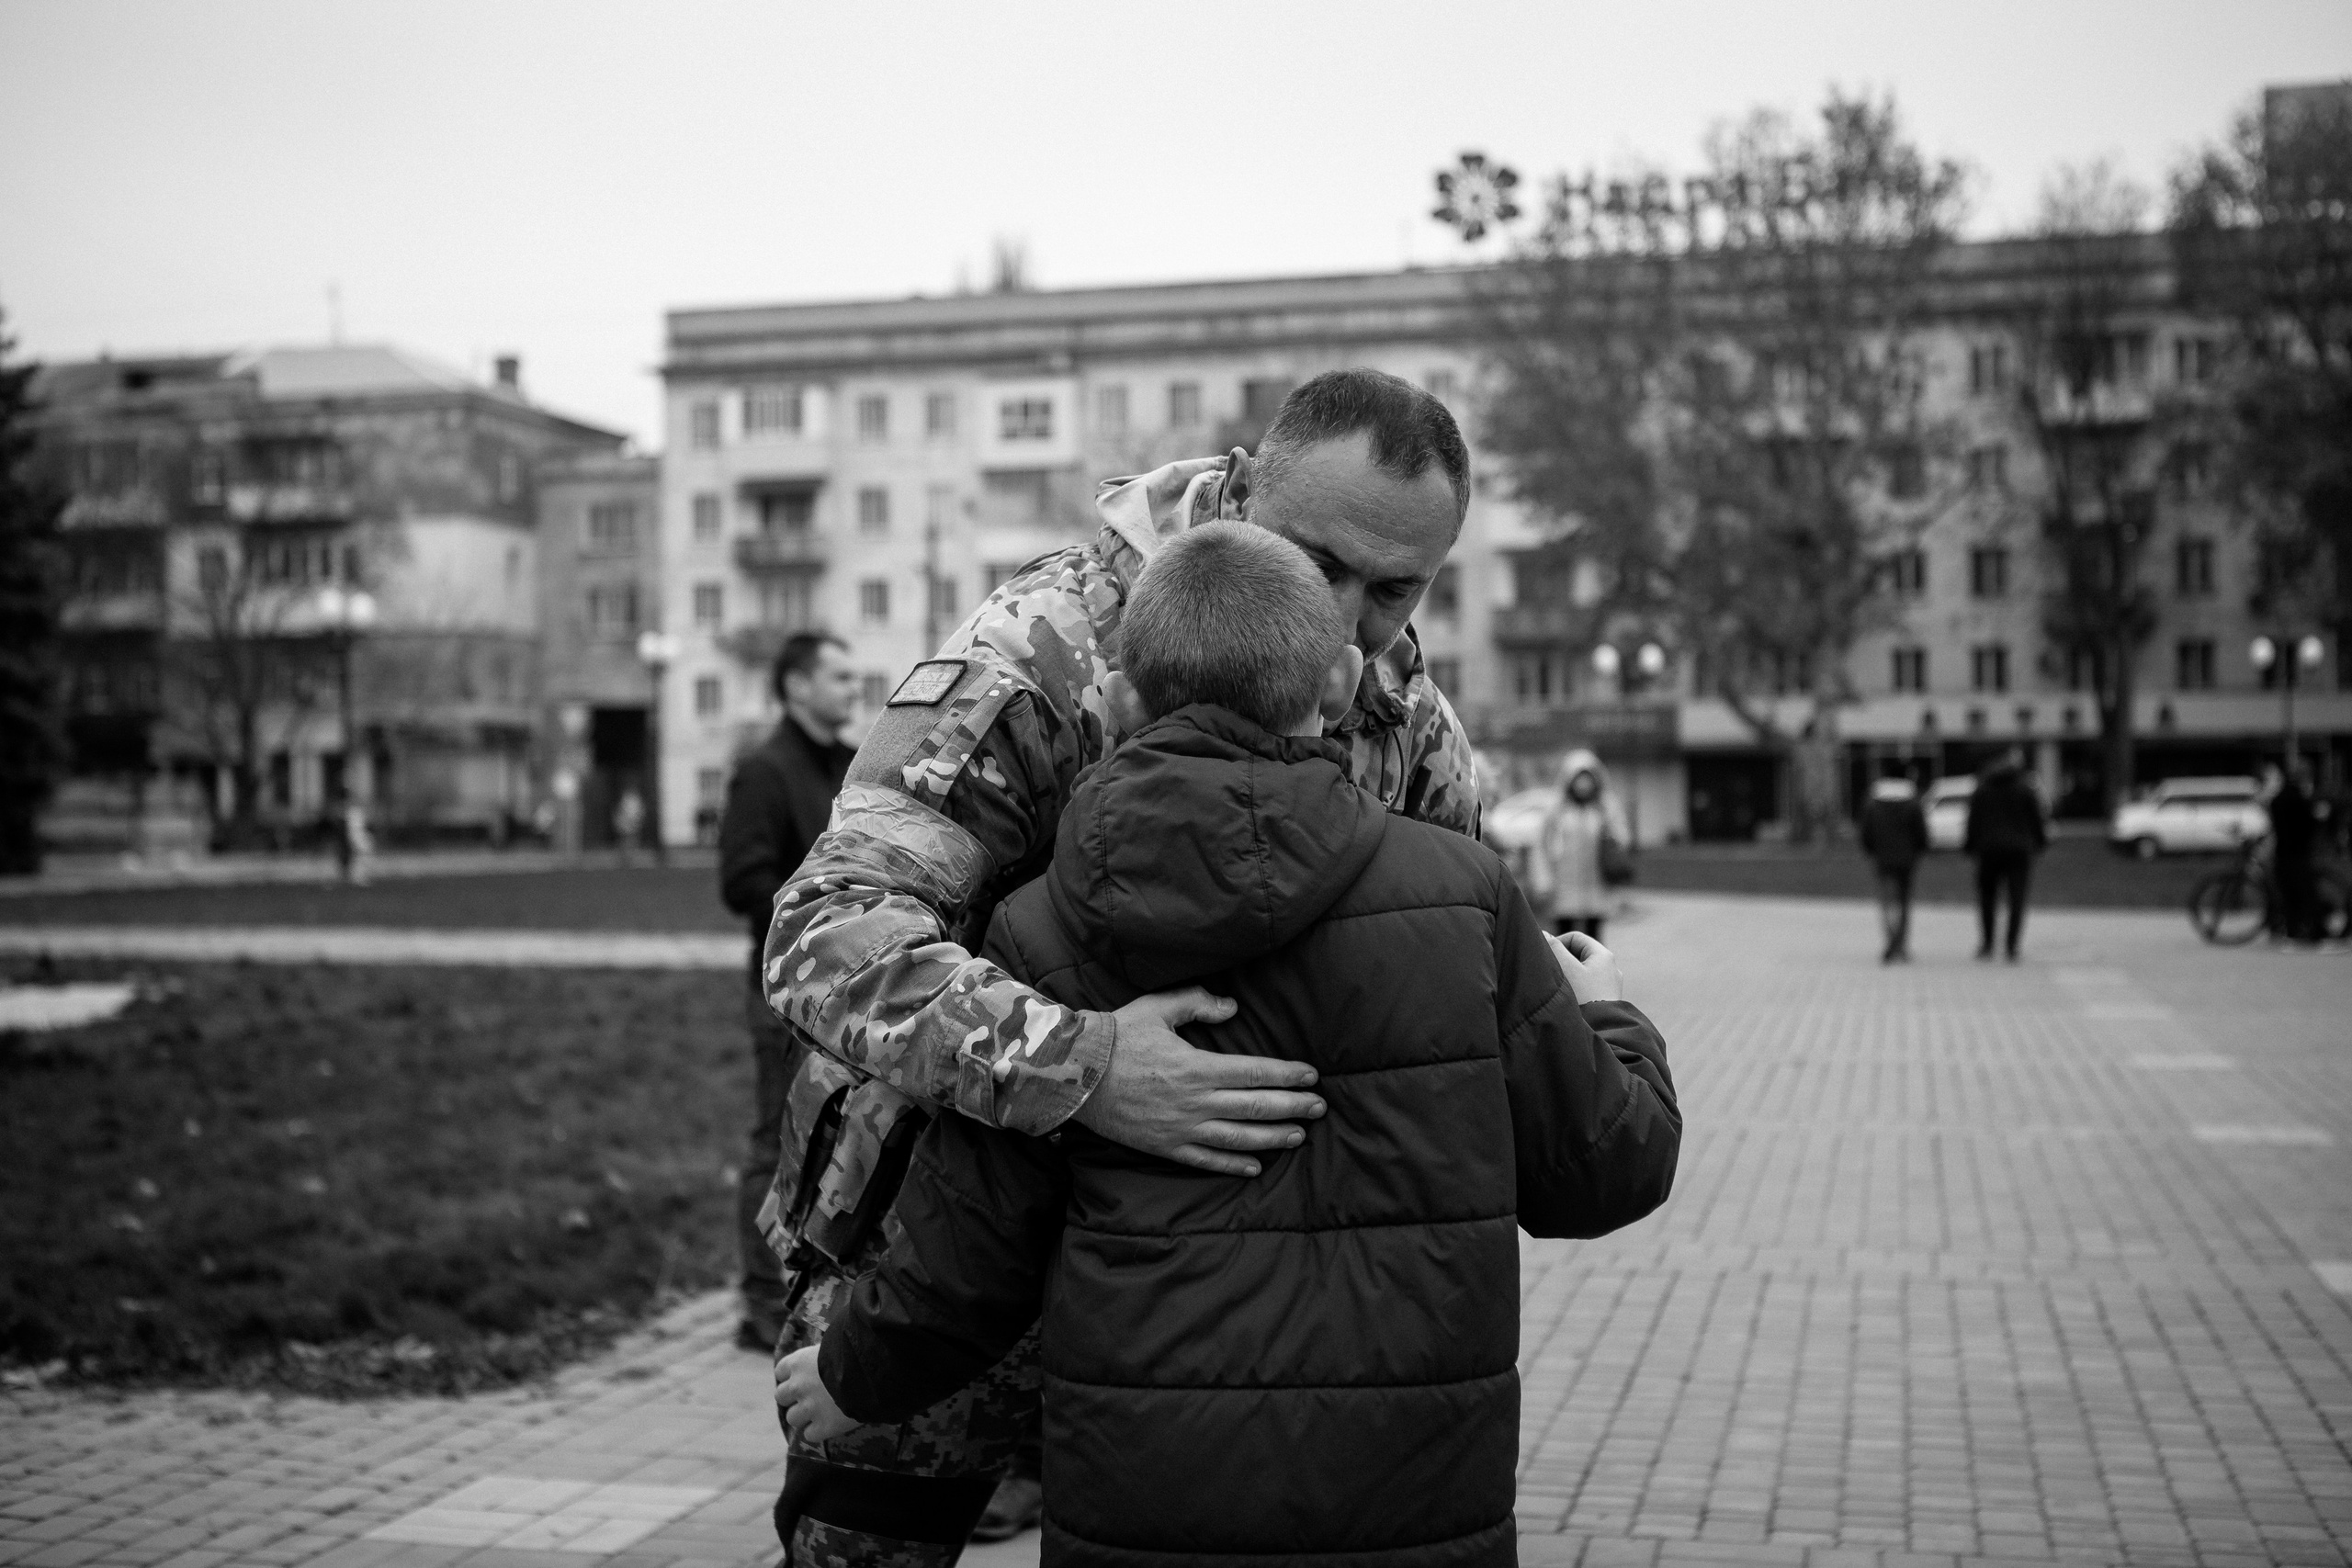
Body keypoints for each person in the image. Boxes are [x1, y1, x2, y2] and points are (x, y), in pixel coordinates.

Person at [775, 524, 1680, 1563]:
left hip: (1145, 1506)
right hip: (1409, 1498)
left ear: (1112, 706)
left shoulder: (1038, 932)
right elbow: (1605, 1170)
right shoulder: (1465, 895)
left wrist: (852, 1376)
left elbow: (966, 1253)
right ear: (1341, 691)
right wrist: (1609, 1014)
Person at [757, 370, 1484, 1561]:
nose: (1347, 620)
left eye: (1394, 588)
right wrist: (1087, 1065)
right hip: (942, 1256)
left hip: (1199, 1291)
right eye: (1317, 559)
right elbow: (829, 929)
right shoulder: (1046, 649)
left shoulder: (1396, 695)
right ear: (1244, 489)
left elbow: (1445, 913)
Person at [718, 632, 860, 1350]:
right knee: (776, 1140)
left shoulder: (853, 766)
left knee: (831, 1138)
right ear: (797, 686)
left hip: (845, 993)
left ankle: (814, 1288)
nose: (852, 685)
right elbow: (740, 880)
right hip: (779, 993)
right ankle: (759, 1303)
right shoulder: (765, 772)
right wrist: (819, 911)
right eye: (837, 675)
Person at [1534, 749, 1629, 942]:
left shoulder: (1605, 807)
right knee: (1564, 937)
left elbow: (1622, 839)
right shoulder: (1557, 809)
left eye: (1588, 778)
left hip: (1596, 885)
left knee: (1593, 939)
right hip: (1564, 886)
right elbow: (1542, 845)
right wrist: (1544, 880)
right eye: (1579, 778)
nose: (1584, 784)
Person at [1962, 749, 2047, 961]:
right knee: (2017, 898)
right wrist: (2040, 842)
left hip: (1988, 850)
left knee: (1987, 898)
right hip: (2018, 850)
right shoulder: (2024, 788)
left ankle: (1988, 944)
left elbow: (1973, 820)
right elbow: (2036, 819)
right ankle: (2011, 945)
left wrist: (1970, 845)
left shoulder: (1983, 788)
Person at [1860, 765, 1928, 963]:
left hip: (1882, 859)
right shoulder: (1912, 801)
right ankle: (1901, 944)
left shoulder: (1873, 802)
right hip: (1907, 860)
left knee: (1887, 903)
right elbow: (1920, 832)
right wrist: (1919, 850)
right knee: (1904, 902)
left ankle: (1890, 941)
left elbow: (1866, 831)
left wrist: (1871, 850)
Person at [2267, 761, 2321, 947]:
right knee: (2304, 893)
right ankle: (2310, 931)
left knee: (2287, 893)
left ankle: (2290, 929)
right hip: (2298, 854)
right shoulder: (2299, 798)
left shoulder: (2278, 798)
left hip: (2282, 852)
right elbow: (2308, 824)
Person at [611, 786, 644, 865]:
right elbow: (620, 810)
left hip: (632, 823)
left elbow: (640, 811)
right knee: (625, 841)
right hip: (626, 823)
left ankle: (630, 858)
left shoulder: (634, 799)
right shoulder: (626, 799)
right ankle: (624, 858)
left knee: (631, 841)